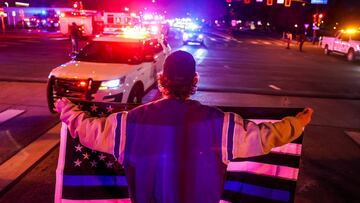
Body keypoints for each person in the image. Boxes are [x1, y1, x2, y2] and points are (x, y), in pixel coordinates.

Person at [55, 50, 313, 203]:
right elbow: (266, 137)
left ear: (161, 79)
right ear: (195, 80)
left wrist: (66, 108)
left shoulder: (129, 123)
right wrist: (297, 123)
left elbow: (88, 130)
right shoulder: (220, 124)